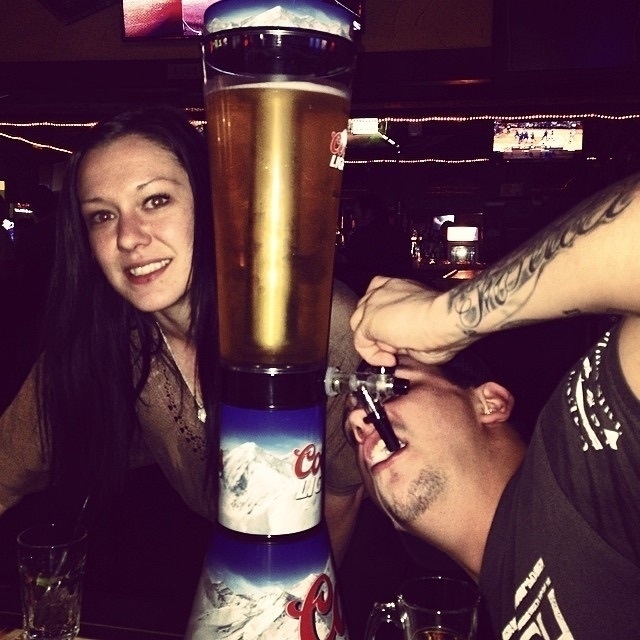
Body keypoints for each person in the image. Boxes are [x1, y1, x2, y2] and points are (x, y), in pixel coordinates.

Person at [0, 106, 363, 565]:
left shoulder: (315, 323)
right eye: (102, 215)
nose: (128, 238)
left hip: (354, 561)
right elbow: (7, 465)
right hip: (224, 552)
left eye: (155, 201)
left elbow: (341, 493)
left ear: (213, 203)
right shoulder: (102, 338)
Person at [347, 171, 640, 637]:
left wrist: (443, 319)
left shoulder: (577, 469)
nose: (362, 419)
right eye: (352, 432)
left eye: (395, 388)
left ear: (490, 403)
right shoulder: (490, 607)